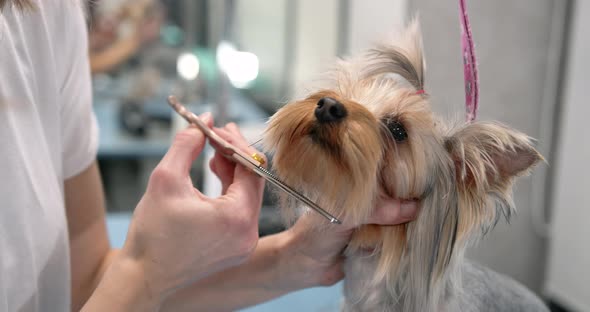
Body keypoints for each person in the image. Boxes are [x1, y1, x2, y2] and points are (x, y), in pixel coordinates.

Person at [0, 1, 418, 311]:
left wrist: (296, 257)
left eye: (396, 132)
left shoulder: (46, 13)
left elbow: (86, 283)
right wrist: (145, 269)